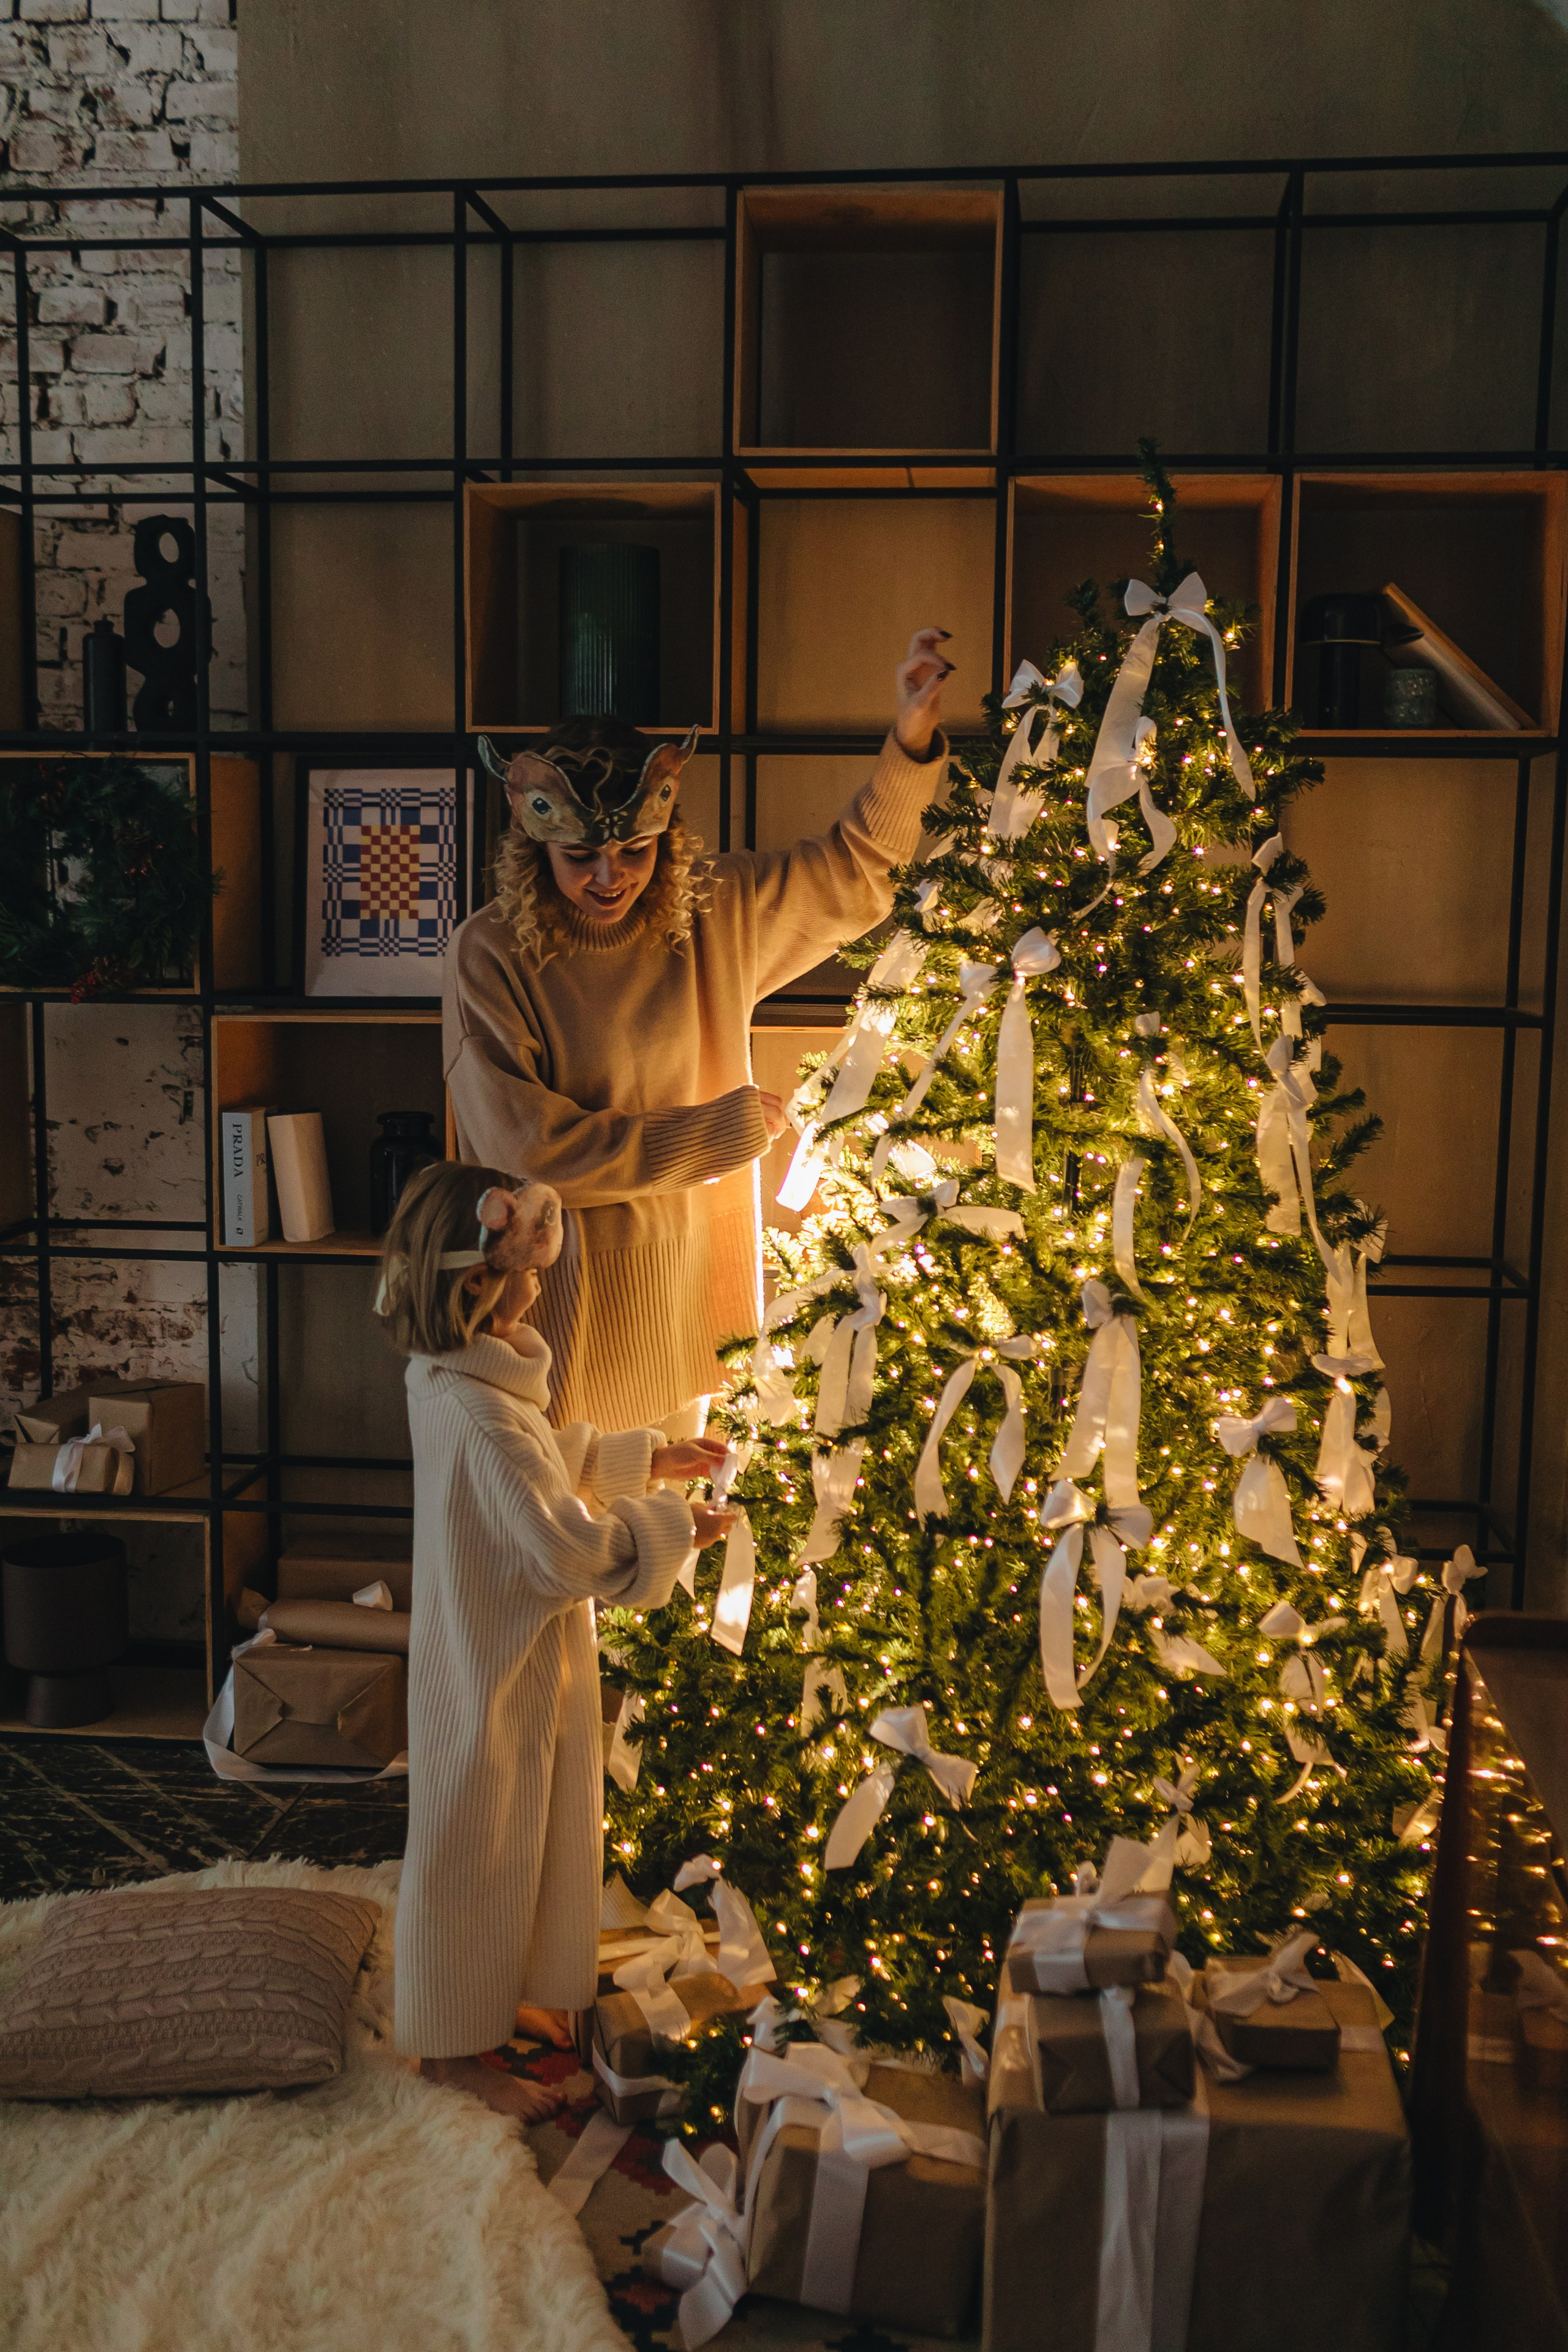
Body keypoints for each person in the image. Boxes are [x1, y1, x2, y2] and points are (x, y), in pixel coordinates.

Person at [444, 627, 953, 1438]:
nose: (610, 877)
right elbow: (529, 1150)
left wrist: (910, 741)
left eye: (636, 850)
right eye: (581, 856)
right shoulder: (491, 950)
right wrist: (717, 1136)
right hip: (562, 1310)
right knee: (572, 1544)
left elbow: (856, 876)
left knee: (668, 1546)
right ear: (535, 849)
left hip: (691, 1306)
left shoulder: (710, 911)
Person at [379, 1159, 734, 2122]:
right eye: (529, 1274)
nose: (541, 1286)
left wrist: (638, 1457)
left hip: (504, 1646)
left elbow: (538, 1471)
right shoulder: (482, 1411)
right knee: (474, 1846)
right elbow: (560, 1542)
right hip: (494, 1660)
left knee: (524, 1837)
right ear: (478, 1286)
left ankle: (498, 1997)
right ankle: (452, 2058)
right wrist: (673, 1524)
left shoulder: (461, 1380)